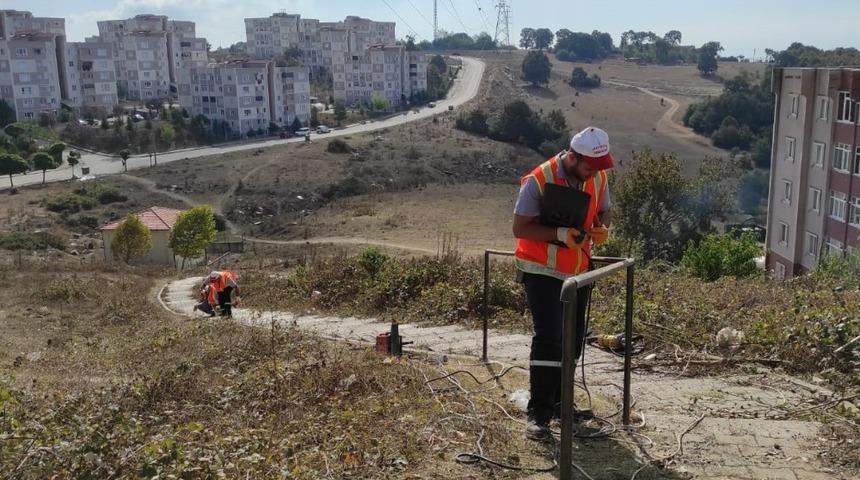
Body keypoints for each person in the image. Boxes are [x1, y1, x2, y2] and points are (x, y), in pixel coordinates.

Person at [512, 126, 614, 440]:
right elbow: (520, 228)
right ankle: (538, 416)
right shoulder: (538, 180)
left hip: (577, 271)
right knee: (550, 338)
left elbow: (605, 211)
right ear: (572, 157)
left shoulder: (598, 176)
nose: (593, 173)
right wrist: (558, 234)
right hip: (541, 271)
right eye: (589, 167)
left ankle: (560, 404)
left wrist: (602, 228)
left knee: (572, 340)